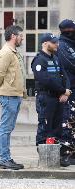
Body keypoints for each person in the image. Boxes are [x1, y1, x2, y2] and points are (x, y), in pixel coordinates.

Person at [0, 25, 25, 170]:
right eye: (20, 35)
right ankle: (4, 159)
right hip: (9, 95)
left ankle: (7, 158)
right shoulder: (6, 52)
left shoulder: (14, 52)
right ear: (13, 36)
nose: (22, 38)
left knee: (8, 128)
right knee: (5, 129)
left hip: (15, 95)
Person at [32, 33, 70, 147]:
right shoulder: (39, 60)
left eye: (57, 42)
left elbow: (65, 76)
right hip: (46, 98)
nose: (56, 44)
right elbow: (45, 80)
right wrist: (62, 91)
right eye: (53, 42)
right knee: (45, 127)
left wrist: (66, 90)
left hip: (58, 98)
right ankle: (44, 155)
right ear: (45, 44)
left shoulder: (56, 58)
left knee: (57, 128)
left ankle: (56, 155)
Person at [58, 19, 75, 164]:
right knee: (68, 121)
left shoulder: (71, 44)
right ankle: (66, 154)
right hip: (69, 89)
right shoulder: (63, 45)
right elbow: (71, 64)